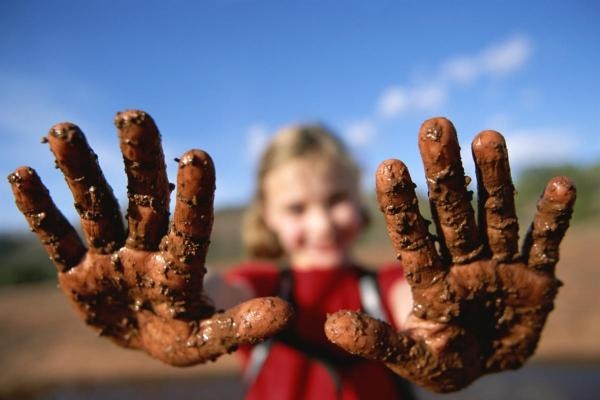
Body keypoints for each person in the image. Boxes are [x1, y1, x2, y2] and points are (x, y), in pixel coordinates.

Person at [8, 109, 576, 399]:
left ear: (357, 202)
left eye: (334, 200)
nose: (322, 222)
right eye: (297, 208)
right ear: (268, 219)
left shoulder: (386, 284)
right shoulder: (259, 284)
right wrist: (171, 307)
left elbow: (421, 309)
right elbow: (218, 298)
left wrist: (464, 321)